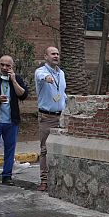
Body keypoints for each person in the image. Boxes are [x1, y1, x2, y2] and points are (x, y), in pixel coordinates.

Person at [34, 46, 67, 192]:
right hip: (47, 117)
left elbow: (62, 93)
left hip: (61, 117)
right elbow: (41, 77)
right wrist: (47, 78)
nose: (56, 56)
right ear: (46, 56)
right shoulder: (41, 71)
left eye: (57, 54)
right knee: (45, 150)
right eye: (53, 54)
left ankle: (59, 180)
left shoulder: (61, 74)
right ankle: (44, 181)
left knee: (61, 148)